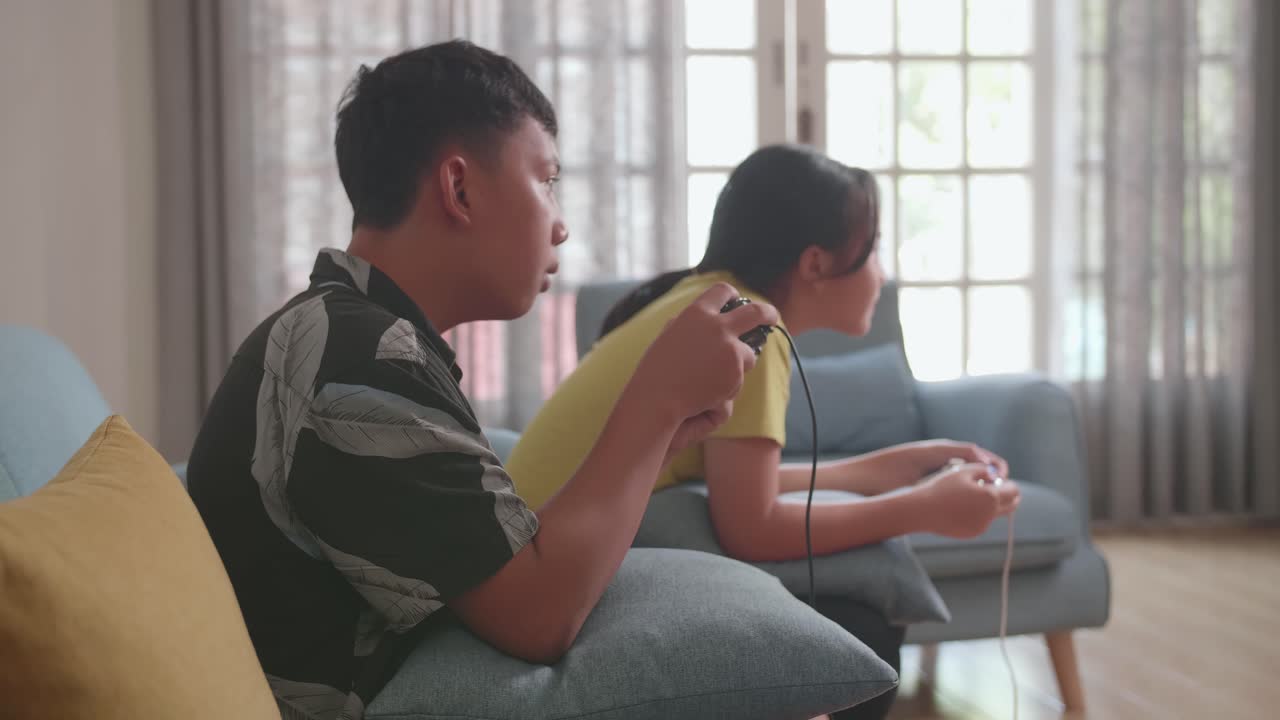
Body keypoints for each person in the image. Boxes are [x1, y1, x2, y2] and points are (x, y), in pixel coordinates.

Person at [185, 40, 776, 719]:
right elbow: (538, 613)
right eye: (547, 181)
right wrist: (656, 398)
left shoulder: (360, 334)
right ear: (459, 188)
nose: (561, 226)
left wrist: (664, 428)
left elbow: (507, 555)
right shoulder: (358, 364)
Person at [505, 144, 1022, 720]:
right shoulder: (746, 331)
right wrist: (923, 510)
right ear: (816, 263)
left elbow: (745, 484)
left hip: (531, 556)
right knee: (860, 627)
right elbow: (752, 527)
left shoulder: (706, 304)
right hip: (551, 579)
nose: (881, 273)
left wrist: (894, 468)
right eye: (872, 251)